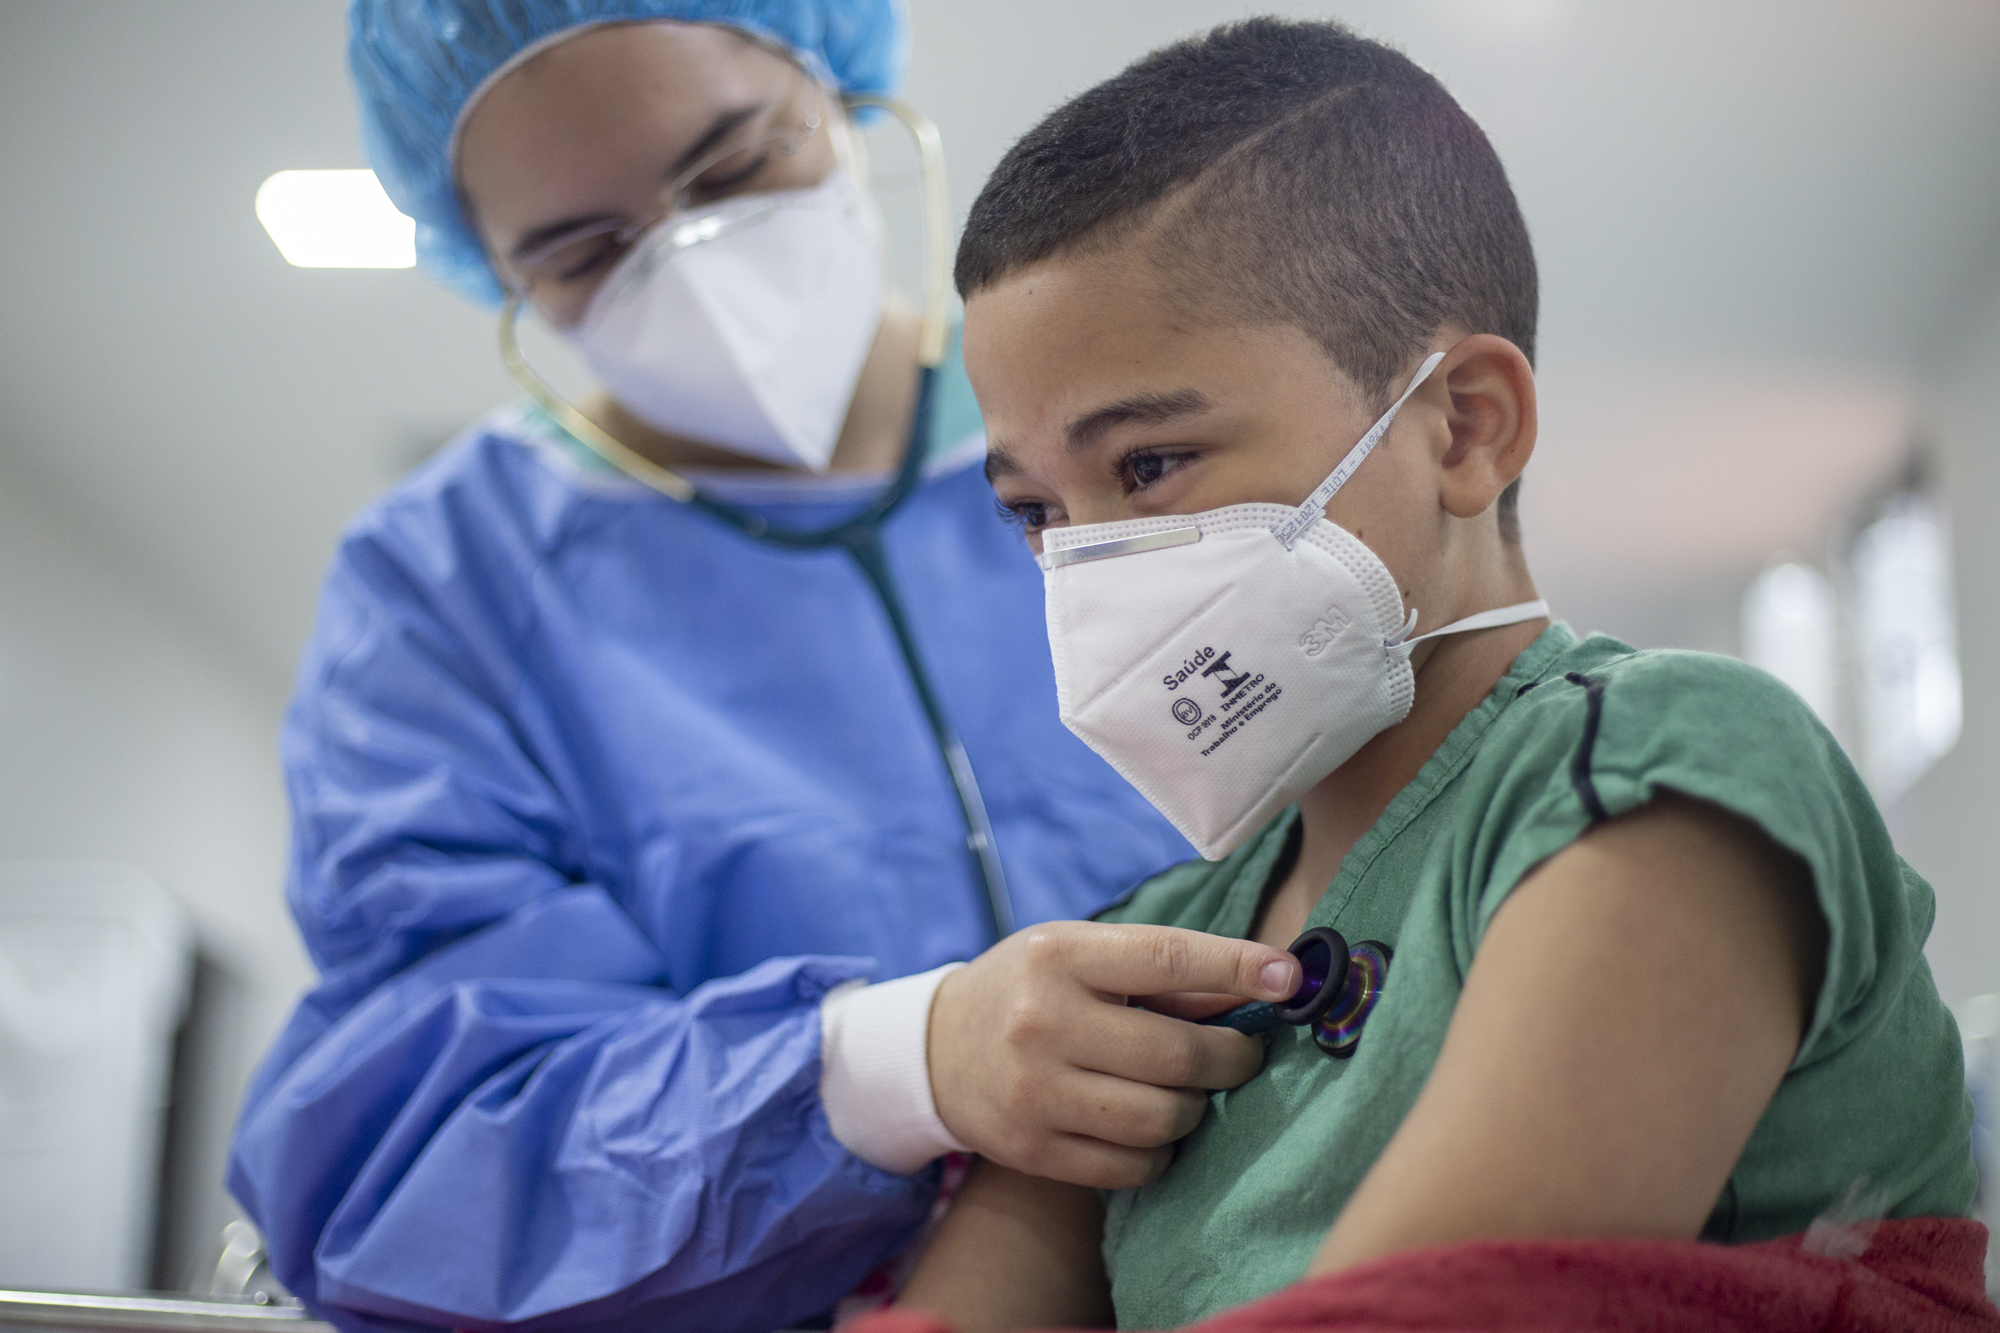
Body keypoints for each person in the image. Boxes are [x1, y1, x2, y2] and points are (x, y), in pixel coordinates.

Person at [885, 18, 1983, 1329]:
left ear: (1465, 425)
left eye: (1151, 465)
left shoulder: (1668, 763)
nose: (1088, 564)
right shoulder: (1156, 944)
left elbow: (1436, 1310)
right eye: (1036, 512)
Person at [227, 5, 1313, 1332]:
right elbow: (415, 1160)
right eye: (581, 251)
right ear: (497, 276)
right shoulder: (451, 585)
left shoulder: (1149, 424)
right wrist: (889, 1064)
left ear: (843, 99)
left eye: (738, 170)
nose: (690, 263)